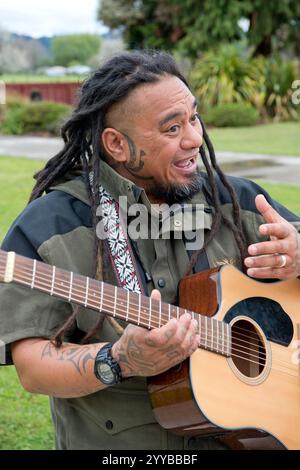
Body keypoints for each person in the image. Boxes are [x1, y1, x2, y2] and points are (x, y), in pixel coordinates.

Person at [0, 50, 299, 451]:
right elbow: (33, 367)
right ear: (117, 145)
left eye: (193, 117)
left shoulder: (237, 201)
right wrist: (119, 360)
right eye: (172, 128)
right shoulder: (52, 227)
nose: (194, 138)